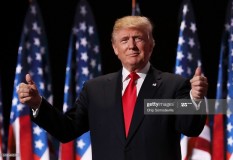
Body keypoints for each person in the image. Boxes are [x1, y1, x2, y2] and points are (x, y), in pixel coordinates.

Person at [17, 15, 208, 160]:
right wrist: (37, 104)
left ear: (151, 45)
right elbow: (67, 130)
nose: (131, 46)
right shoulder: (95, 89)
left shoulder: (173, 85)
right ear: (115, 48)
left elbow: (190, 127)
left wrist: (195, 99)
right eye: (124, 40)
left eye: (138, 38)